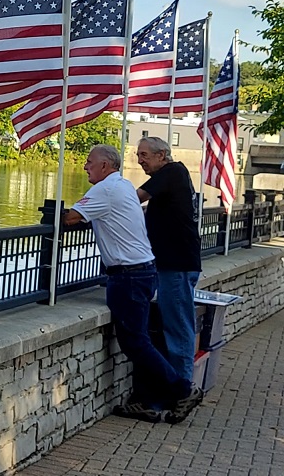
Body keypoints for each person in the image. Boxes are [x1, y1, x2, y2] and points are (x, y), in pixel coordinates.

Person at [62, 144, 202, 424]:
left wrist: (57, 214)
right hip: (146, 270)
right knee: (141, 340)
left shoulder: (107, 188)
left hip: (131, 275)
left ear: (105, 166)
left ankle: (183, 390)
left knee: (143, 340)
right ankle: (146, 402)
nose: (85, 166)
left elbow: (71, 218)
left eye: (89, 162)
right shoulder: (124, 185)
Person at [136, 136, 202, 383]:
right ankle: (178, 385)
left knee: (178, 327)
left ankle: (183, 388)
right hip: (176, 263)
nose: (139, 160)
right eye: (138, 155)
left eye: (144, 155)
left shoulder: (170, 172)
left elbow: (135, 198)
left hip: (177, 265)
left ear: (161, 155)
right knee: (176, 325)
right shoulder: (174, 175)